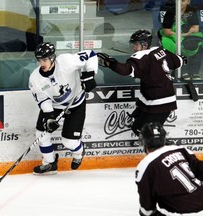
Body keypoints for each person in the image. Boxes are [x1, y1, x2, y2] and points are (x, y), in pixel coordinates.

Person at [97, 29, 186, 137]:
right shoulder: (161, 51)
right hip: (163, 97)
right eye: (133, 44)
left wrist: (110, 63)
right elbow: (179, 61)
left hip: (158, 101)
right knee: (140, 128)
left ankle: (162, 148)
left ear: (145, 44)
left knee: (146, 133)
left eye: (136, 44)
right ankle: (158, 145)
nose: (133, 47)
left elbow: (125, 70)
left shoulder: (140, 58)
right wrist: (182, 59)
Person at [28, 42, 98, 175]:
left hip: (75, 103)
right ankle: (50, 163)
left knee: (69, 142)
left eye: (45, 59)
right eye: (39, 60)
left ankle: (78, 153)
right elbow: (43, 99)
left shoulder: (66, 61)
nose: (42, 63)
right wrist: (49, 117)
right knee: (41, 135)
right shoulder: (35, 78)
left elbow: (91, 55)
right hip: (55, 107)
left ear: (53, 57)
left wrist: (90, 75)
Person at [135, 122, 203, 216]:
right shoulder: (182, 150)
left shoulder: (145, 165)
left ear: (144, 142)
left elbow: (147, 208)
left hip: (180, 212)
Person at [159, 0, 203, 80]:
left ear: (188, 2)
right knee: (179, 46)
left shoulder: (191, 11)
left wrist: (184, 34)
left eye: (183, 0)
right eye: (179, 0)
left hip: (186, 34)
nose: (181, 3)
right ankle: (183, 71)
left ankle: (194, 72)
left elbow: (195, 29)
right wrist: (183, 35)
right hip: (172, 35)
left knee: (198, 45)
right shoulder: (170, 11)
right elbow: (167, 31)